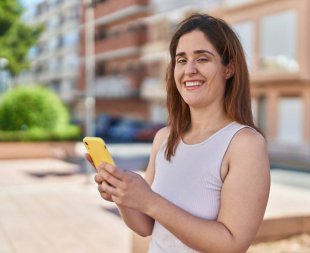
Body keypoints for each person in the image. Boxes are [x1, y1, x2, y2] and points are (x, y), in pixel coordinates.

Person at [86, 13, 270, 253]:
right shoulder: (164, 138)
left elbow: (232, 245)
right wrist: (123, 195)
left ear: (229, 68)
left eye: (202, 59)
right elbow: (145, 226)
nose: (189, 70)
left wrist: (150, 201)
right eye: (181, 60)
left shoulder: (244, 144)